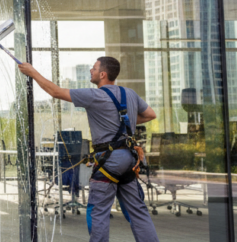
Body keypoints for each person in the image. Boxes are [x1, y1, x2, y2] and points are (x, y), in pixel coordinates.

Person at [18, 56, 159, 242]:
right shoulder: (129, 94)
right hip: (128, 159)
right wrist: (125, 121)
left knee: (98, 211)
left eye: (93, 68)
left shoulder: (95, 96)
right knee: (138, 211)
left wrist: (32, 72)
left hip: (109, 162)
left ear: (102, 74)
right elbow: (150, 114)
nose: (90, 71)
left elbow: (55, 92)